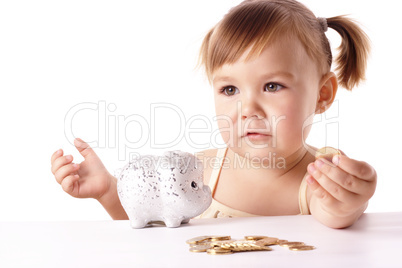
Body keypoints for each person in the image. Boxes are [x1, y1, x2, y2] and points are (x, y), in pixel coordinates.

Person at [51, 0, 377, 228]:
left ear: (322, 95)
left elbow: (334, 213)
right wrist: (109, 191)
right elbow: (151, 229)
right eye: (230, 90)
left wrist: (349, 199)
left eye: (273, 86)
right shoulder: (202, 169)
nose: (248, 109)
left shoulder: (316, 179)